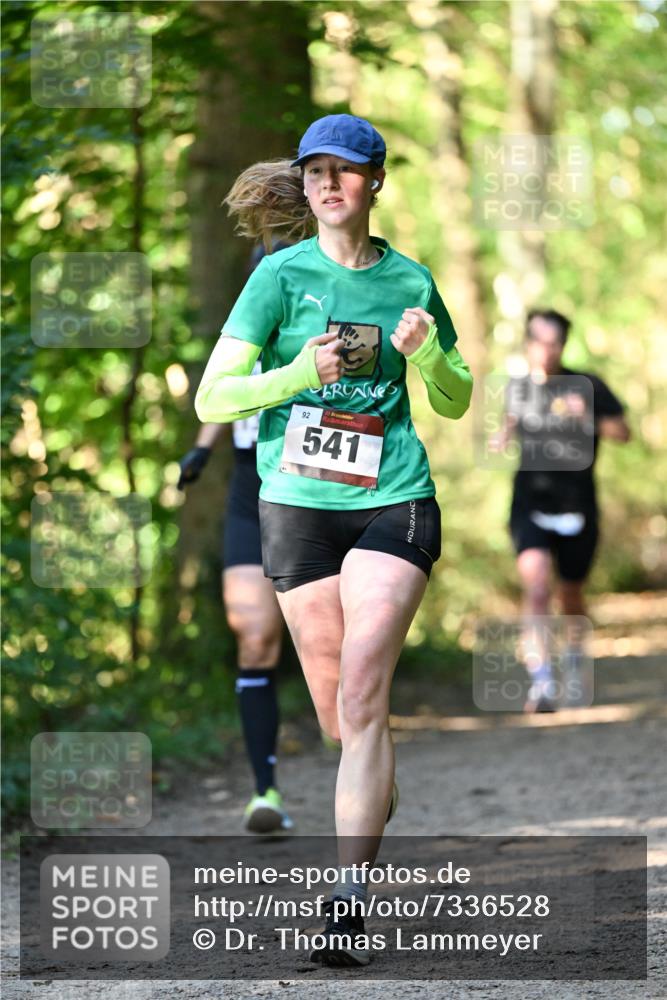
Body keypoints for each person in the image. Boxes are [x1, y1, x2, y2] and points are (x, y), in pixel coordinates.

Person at [194, 113, 473, 966]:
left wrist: (425, 358)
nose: (326, 182)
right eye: (314, 169)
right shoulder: (277, 277)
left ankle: (346, 902)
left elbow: (457, 399)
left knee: (362, 691)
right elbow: (213, 399)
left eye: (344, 171)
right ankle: (372, 776)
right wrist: (294, 375)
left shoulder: (411, 281)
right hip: (296, 505)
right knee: (338, 719)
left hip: (393, 497)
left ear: (373, 183)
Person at [178, 243, 294, 834]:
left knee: (338, 643)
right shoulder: (242, 338)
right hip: (252, 485)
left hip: (314, 489)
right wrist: (202, 450)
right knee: (253, 636)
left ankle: (367, 766)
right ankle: (264, 790)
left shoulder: (326, 332)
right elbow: (224, 393)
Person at [502, 309, 630, 711]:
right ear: (528, 343)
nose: (546, 349)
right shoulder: (517, 388)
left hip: (578, 508)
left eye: (554, 341)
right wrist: (500, 435)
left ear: (563, 344)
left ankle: (574, 663)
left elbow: (623, 432)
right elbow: (505, 427)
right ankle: (541, 684)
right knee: (537, 586)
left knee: (570, 593)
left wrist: (587, 416)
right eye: (539, 340)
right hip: (530, 505)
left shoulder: (588, 385)